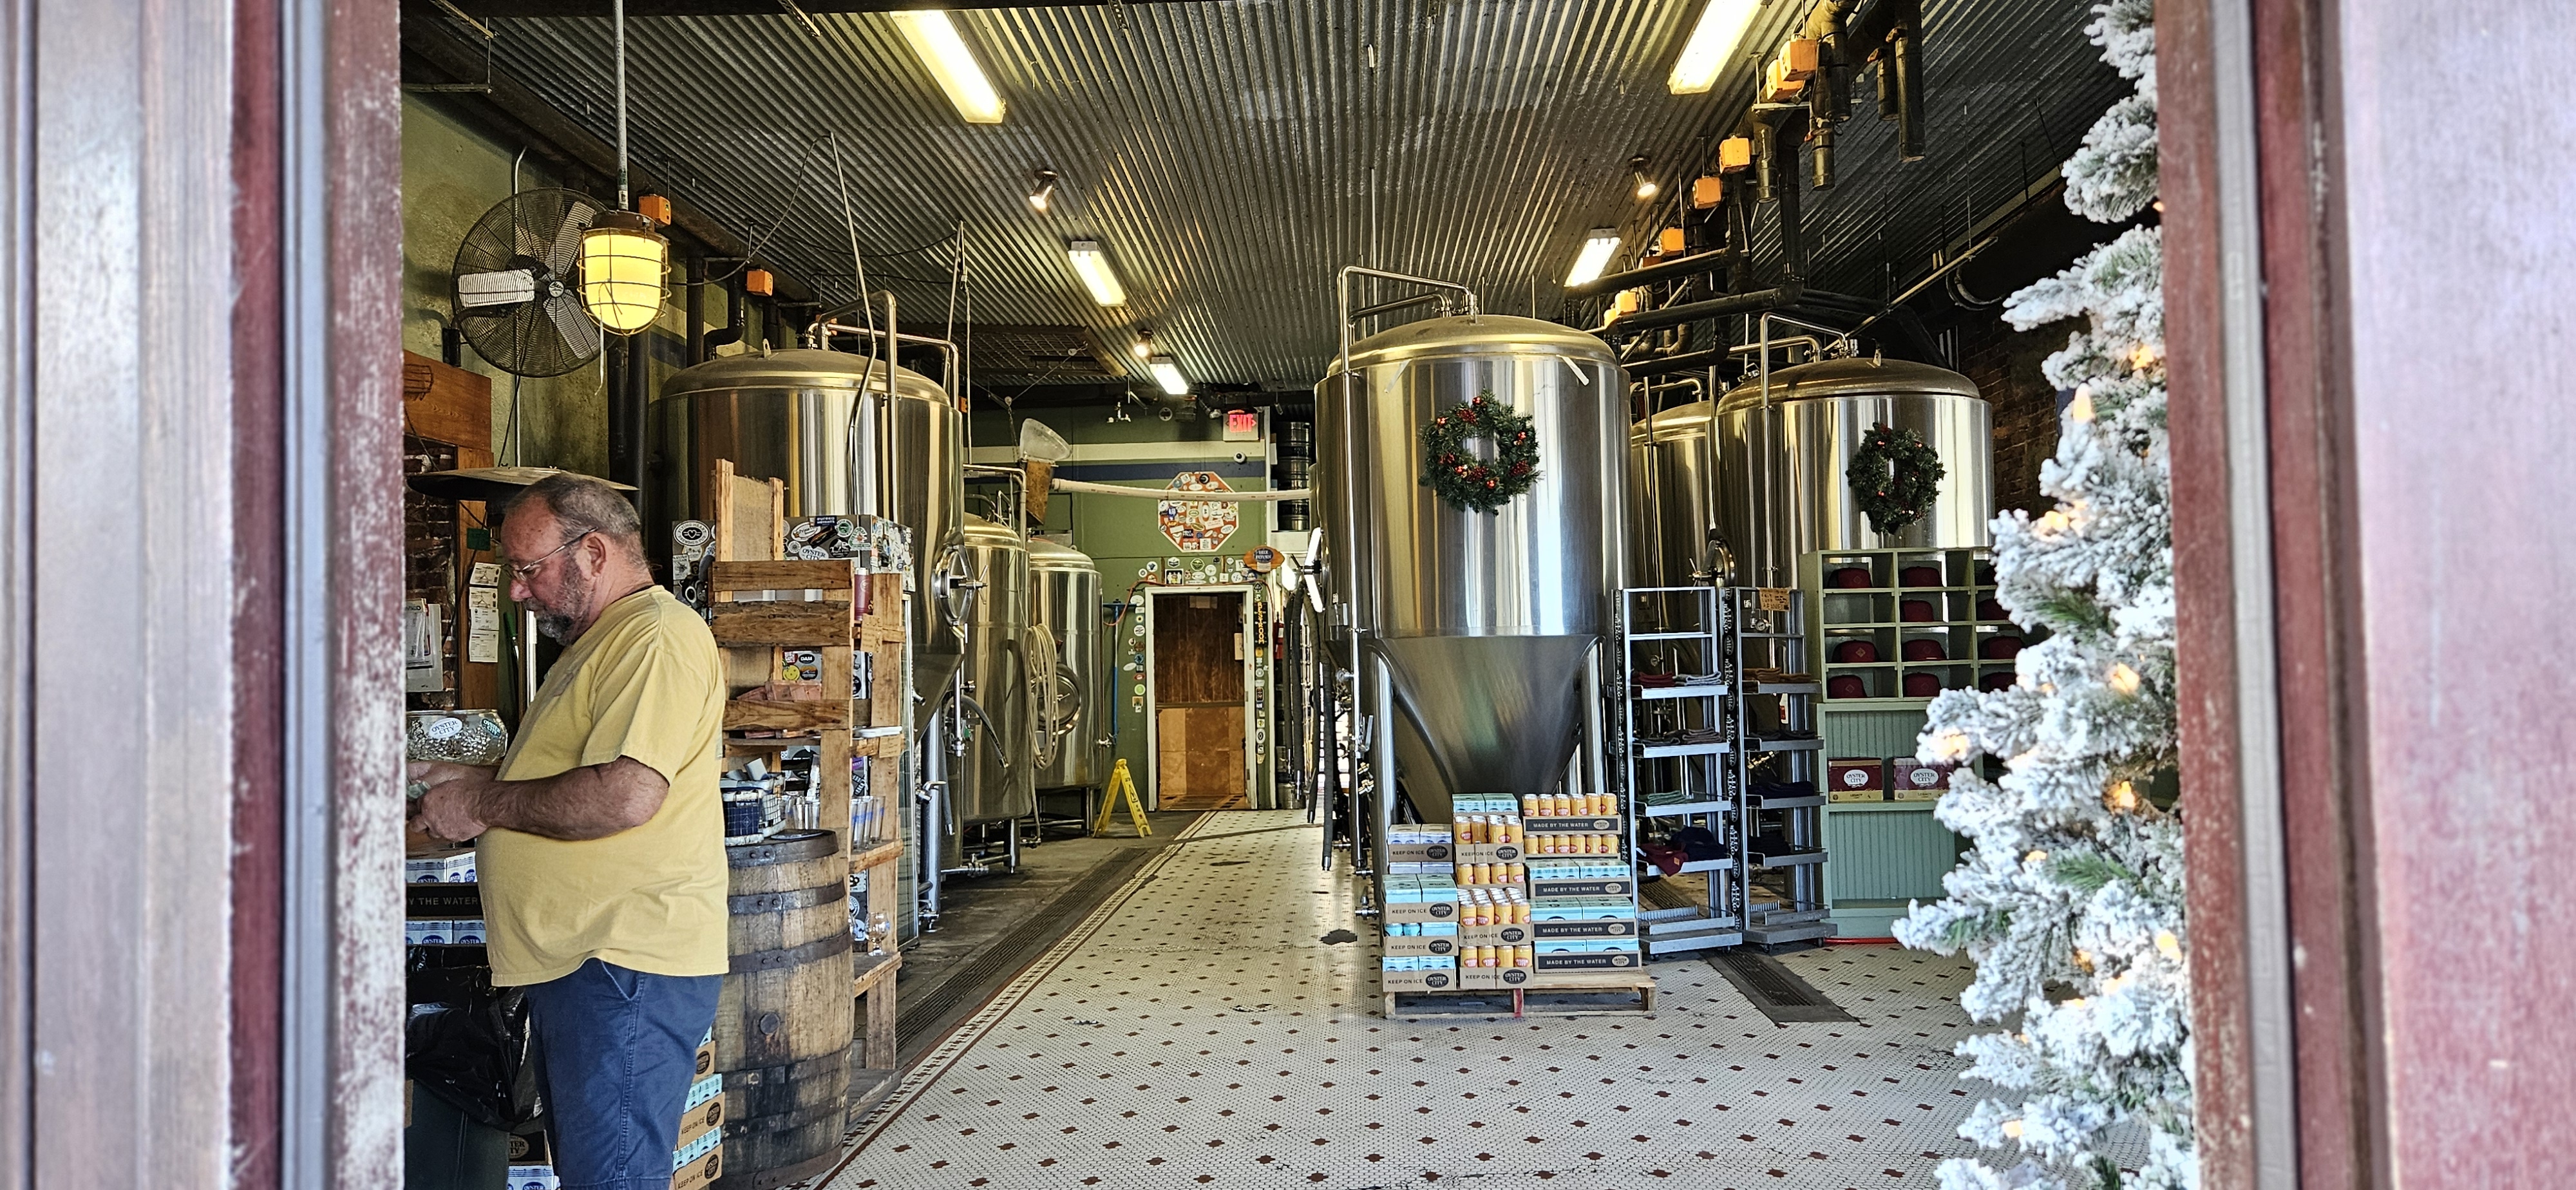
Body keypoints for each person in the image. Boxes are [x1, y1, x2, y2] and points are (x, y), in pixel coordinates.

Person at [411, 473, 727, 1190]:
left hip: (620, 960)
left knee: (611, 1179)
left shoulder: (655, 637)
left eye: (529, 569)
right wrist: (468, 778)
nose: (518, 590)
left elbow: (625, 795)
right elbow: (567, 774)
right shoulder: (600, 641)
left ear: (593, 553)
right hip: (588, 963)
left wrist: (483, 802)